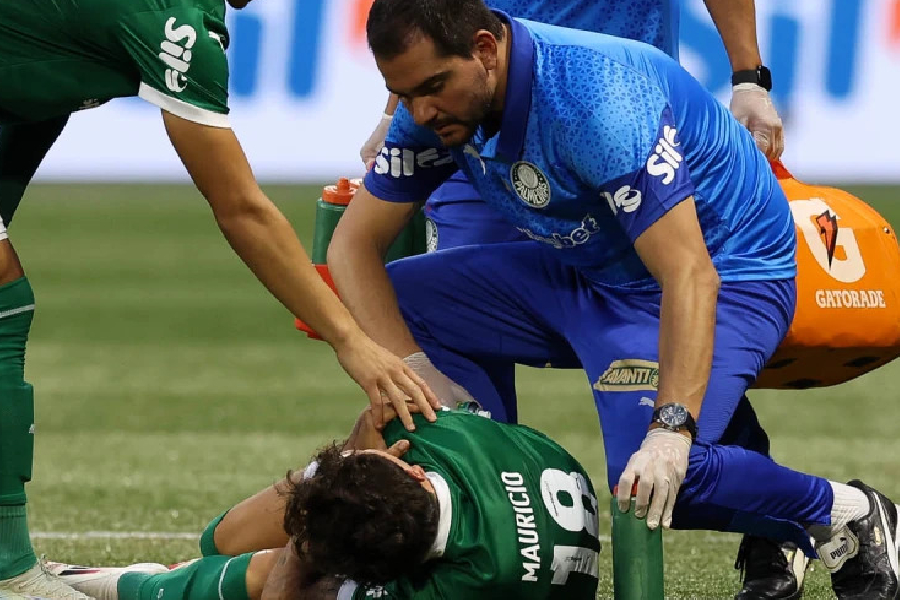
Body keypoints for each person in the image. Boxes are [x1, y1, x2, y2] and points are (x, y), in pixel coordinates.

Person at [327, 1, 900, 598]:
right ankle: (480, 473)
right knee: (411, 295)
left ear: (486, 51)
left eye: (433, 88)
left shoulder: (595, 99)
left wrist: (672, 428)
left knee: (654, 479)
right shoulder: (434, 102)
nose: (420, 111)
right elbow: (352, 249)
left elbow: (689, 272)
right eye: (404, 94)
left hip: (727, 272)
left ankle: (847, 513)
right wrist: (413, 371)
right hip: (594, 268)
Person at [0, 0, 441, 596]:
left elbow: (24, 95)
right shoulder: (167, 23)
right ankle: (9, 570)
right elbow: (241, 211)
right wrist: (351, 342)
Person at [53, 405, 603, 600]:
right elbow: (370, 430)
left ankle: (114, 584)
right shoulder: (433, 435)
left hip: (511, 573)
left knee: (268, 570)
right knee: (219, 543)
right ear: (413, 467)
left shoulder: (467, 582)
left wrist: (300, 559)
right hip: (512, 493)